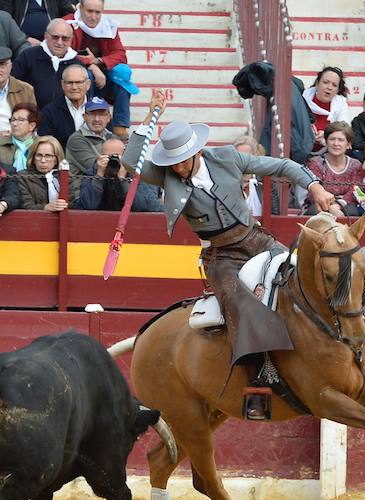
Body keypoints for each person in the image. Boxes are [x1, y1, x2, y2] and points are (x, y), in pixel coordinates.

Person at [122, 90, 337, 420]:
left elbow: (281, 165)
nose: (178, 167)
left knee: (303, 281)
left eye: (183, 159)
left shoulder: (227, 158)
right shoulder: (165, 172)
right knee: (242, 309)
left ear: (196, 151)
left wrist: (314, 186)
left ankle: (331, 351)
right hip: (220, 256)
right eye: (173, 161)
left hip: (257, 240)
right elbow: (131, 161)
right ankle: (257, 384)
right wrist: (150, 116)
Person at [63, 0, 131, 137]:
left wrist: (100, 61)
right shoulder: (68, 23)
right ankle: (87, 120)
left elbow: (120, 54)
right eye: (89, 11)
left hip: (104, 79)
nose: (93, 16)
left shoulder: (108, 26)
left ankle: (120, 127)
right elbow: (65, 52)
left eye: (97, 12)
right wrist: (92, 65)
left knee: (122, 77)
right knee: (87, 75)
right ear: (80, 8)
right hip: (78, 76)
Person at [12, 19, 84, 113]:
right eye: (55, 37)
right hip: (33, 118)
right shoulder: (28, 56)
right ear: (46, 36)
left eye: (65, 38)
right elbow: (12, 84)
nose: (59, 42)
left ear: (71, 40)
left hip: (67, 119)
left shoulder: (77, 64)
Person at [76, 137, 161, 211]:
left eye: (116, 157)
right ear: (101, 156)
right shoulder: (92, 173)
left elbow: (145, 207)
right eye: (108, 157)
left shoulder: (140, 173)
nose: (112, 161)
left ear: (125, 157)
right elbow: (88, 205)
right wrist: (99, 176)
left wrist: (123, 180)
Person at [304, 122, 365, 217]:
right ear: (326, 141)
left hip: (345, 205)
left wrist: (338, 205)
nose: (336, 143)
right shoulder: (316, 163)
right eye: (332, 139)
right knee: (317, 211)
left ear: (348, 144)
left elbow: (356, 191)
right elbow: (312, 193)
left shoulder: (356, 165)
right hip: (319, 204)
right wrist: (331, 206)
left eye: (341, 140)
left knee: (352, 212)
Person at [65, 96, 115, 201]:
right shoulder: (76, 139)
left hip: (107, 192)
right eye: (92, 114)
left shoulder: (113, 138)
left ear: (109, 117)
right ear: (84, 116)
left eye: (101, 114)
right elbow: (94, 167)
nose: (97, 119)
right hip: (82, 195)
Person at [37, 63, 89, 147]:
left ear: (88, 84)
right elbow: (45, 145)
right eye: (69, 83)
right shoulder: (49, 112)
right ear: (62, 84)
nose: (74, 87)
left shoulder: (98, 109)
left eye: (79, 82)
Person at [302, 66, 350, 152]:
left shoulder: (341, 104)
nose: (329, 87)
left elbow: (344, 134)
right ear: (317, 83)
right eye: (325, 82)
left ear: (337, 90)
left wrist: (326, 137)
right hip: (300, 151)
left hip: (329, 154)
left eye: (334, 85)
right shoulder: (302, 99)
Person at [19, 135, 67, 211]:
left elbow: (73, 202)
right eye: (39, 155)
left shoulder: (66, 177)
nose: (43, 160)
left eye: (48, 156)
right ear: (33, 158)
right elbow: (25, 205)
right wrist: (45, 207)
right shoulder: (22, 177)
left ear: (56, 159)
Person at [0, 0, 75, 45]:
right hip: (21, 42)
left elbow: (70, 14)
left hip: (53, 41)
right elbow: (4, 21)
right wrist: (24, 38)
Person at [0, 102, 37, 171]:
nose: (14, 124)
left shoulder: (41, 145)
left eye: (20, 120)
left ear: (32, 126)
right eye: (13, 120)